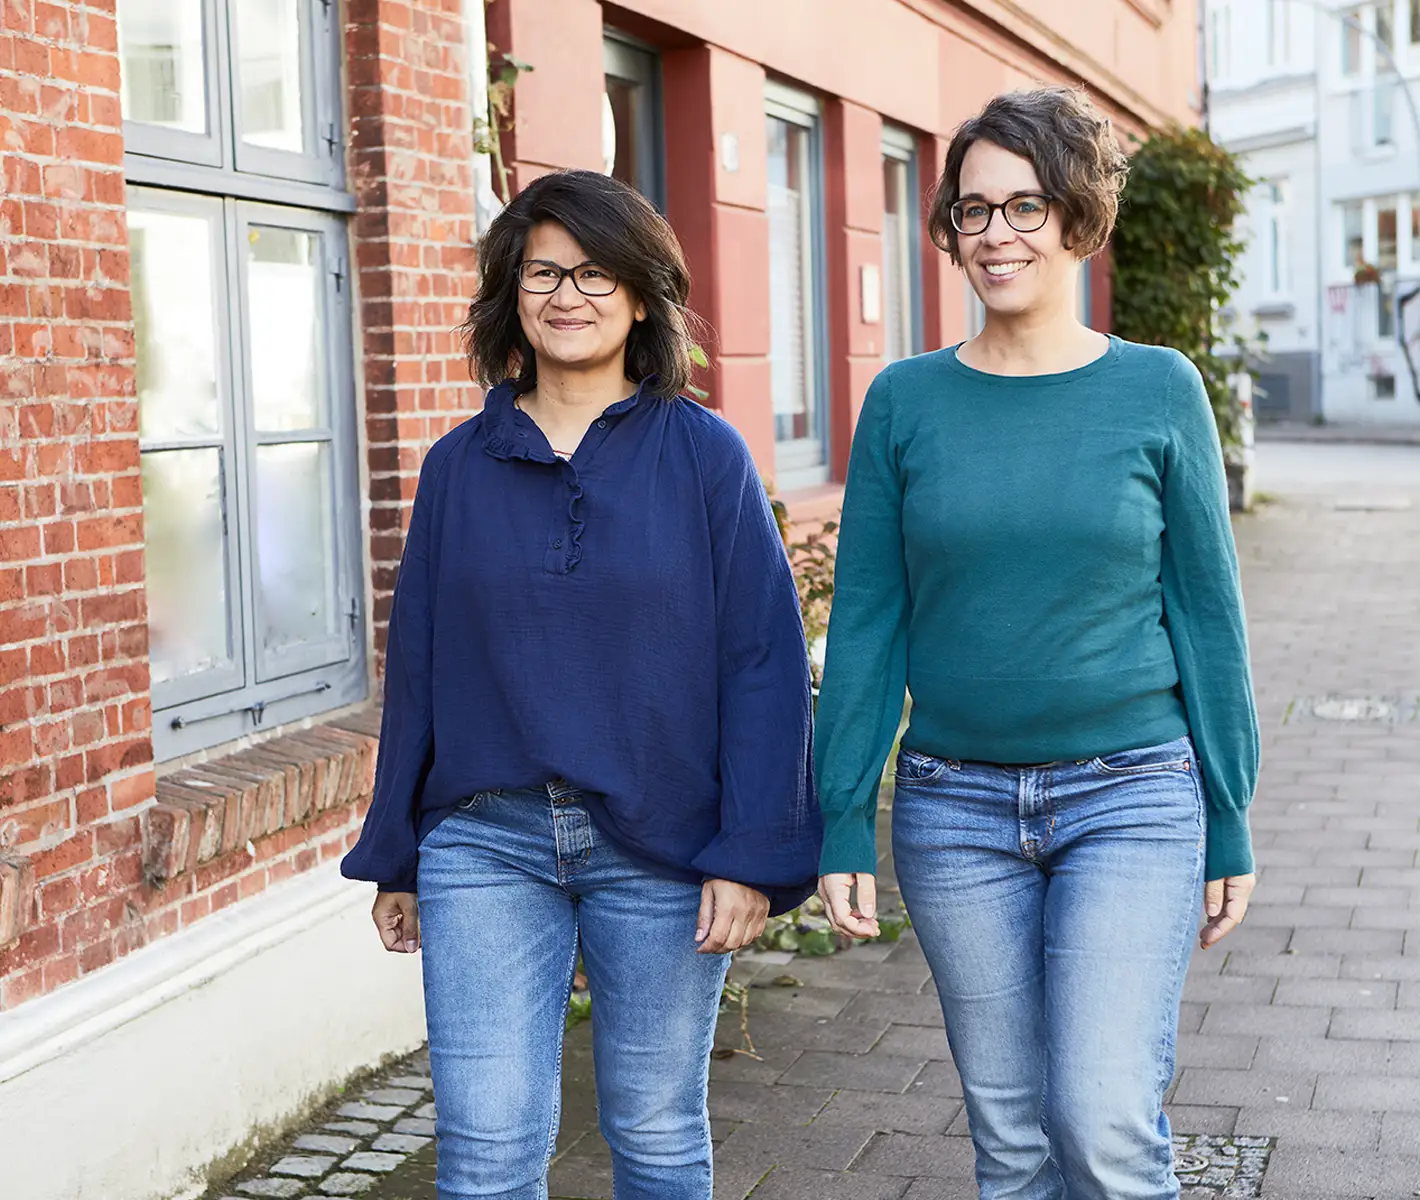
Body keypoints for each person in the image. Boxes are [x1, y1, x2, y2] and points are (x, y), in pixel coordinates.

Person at [814, 87, 1259, 1200]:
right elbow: (868, 618)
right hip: (954, 808)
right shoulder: (905, 402)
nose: (995, 233)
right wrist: (839, 820)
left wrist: (1229, 814)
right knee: (1010, 1146)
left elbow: (1206, 615)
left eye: (1023, 205)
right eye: (972, 211)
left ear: (1076, 218)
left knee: (1102, 1122)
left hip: (1132, 797)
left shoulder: (1158, 389)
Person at [341, 169, 820, 1200]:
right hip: (485, 838)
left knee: (652, 1132)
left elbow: (763, 662)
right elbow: (419, 668)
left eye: (597, 274)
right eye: (543, 271)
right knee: (483, 1150)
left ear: (643, 297)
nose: (568, 295)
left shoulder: (704, 456)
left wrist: (751, 850)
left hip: (663, 839)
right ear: (510, 295)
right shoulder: (457, 467)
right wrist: (398, 854)